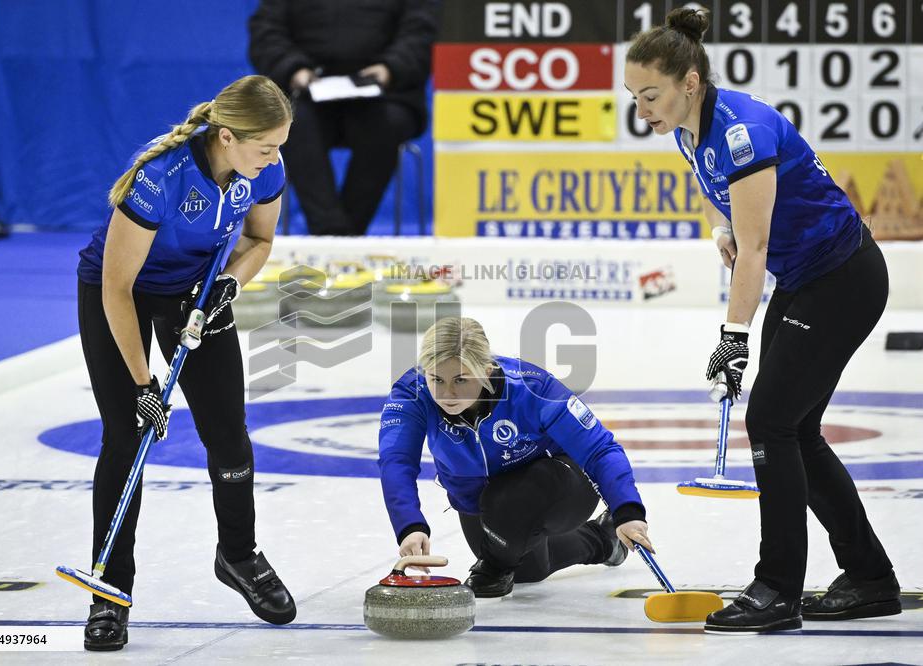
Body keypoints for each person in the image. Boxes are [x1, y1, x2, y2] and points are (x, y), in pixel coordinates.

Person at [625, 8, 900, 634]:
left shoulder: (741, 132)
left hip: (843, 281)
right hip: (809, 279)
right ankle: (870, 578)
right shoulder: (687, 128)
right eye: (633, 96)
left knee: (771, 422)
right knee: (795, 429)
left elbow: (755, 253)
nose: (641, 109)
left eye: (650, 94)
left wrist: (733, 338)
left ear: (688, 82)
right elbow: (736, 220)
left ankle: (778, 589)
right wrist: (724, 226)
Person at [74, 75, 297, 650]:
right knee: (127, 437)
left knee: (229, 432)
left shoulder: (263, 169)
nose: (277, 158)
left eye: (280, 146)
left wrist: (228, 285)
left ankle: (239, 555)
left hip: (194, 294)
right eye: (267, 146)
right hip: (118, 294)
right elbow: (118, 290)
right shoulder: (158, 179)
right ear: (227, 136)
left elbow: (260, 242)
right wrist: (145, 383)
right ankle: (110, 592)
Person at [377, 317, 651, 598]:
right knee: (525, 571)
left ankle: (499, 557)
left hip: (561, 484)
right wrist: (409, 525)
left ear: (485, 370)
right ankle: (602, 539)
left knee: (505, 523)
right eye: (436, 379)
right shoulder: (412, 393)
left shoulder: (532, 387)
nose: (447, 393)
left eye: (461, 379)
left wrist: (627, 510)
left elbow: (599, 449)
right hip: (480, 499)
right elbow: (396, 460)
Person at [248, 0, 439, 235]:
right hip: (308, 90)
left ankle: (345, 236)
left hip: (386, 92)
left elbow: (422, 30)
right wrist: (294, 70)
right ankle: (330, 231)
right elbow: (267, 31)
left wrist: (391, 68)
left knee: (384, 124)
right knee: (291, 122)